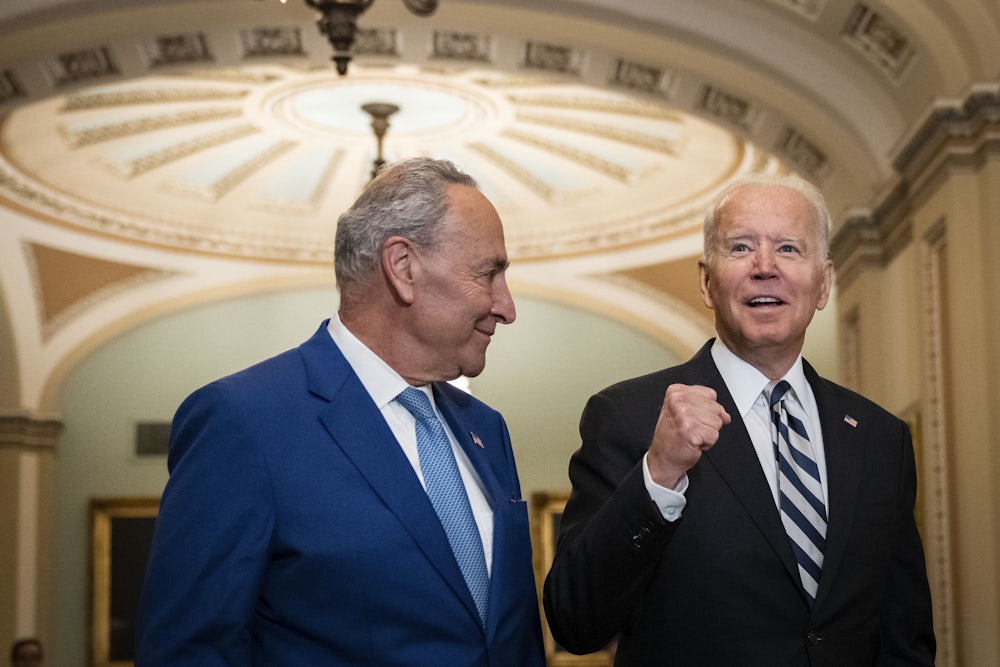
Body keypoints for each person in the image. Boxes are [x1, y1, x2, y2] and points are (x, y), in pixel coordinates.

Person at [136, 157, 545, 666]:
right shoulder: (243, 421)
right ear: (403, 268)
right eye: (489, 275)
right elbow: (190, 651)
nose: (507, 307)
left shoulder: (486, 428)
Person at [543, 173, 936, 666]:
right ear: (707, 282)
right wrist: (660, 473)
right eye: (741, 247)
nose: (765, 268)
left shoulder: (881, 438)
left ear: (824, 282)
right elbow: (576, 620)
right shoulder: (628, 417)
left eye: (789, 249)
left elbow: (905, 636)